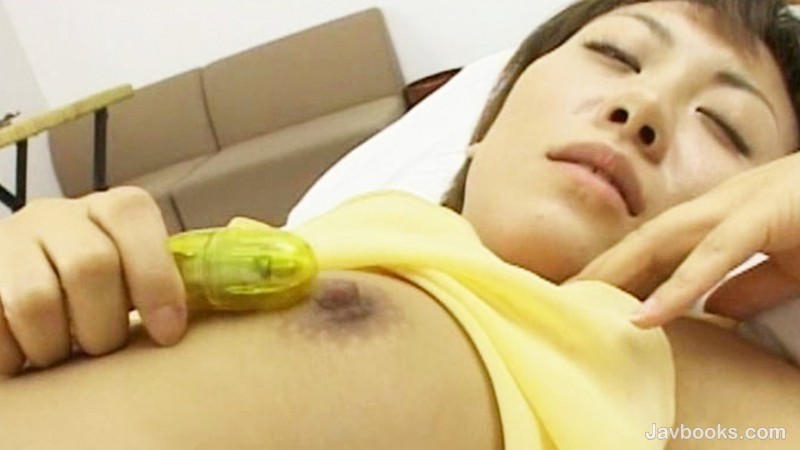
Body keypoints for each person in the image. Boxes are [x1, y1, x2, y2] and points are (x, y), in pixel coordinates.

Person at [1, 0, 800, 448]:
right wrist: (40, 282)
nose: (642, 107)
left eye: (726, 127)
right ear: (488, 121)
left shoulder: (684, 368)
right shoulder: (333, 234)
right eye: (618, 56)